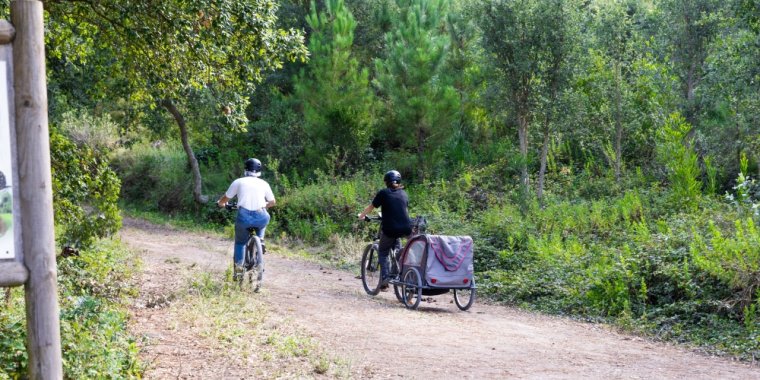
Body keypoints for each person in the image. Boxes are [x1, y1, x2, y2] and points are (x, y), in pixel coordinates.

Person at [217, 158, 276, 273]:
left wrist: (221, 203)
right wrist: (263, 204)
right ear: (259, 171)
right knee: (264, 222)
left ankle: (239, 270)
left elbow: (225, 198)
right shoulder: (264, 183)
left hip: (244, 217)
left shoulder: (238, 182)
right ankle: (261, 240)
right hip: (261, 215)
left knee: (240, 243)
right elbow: (273, 202)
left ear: (246, 169)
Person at [358, 170, 412, 289]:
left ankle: (385, 278)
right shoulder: (404, 193)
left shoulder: (384, 193)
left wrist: (362, 216)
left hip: (390, 228)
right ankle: (397, 270)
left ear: (386, 182)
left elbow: (372, 207)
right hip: (406, 228)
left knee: (383, 252)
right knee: (397, 249)